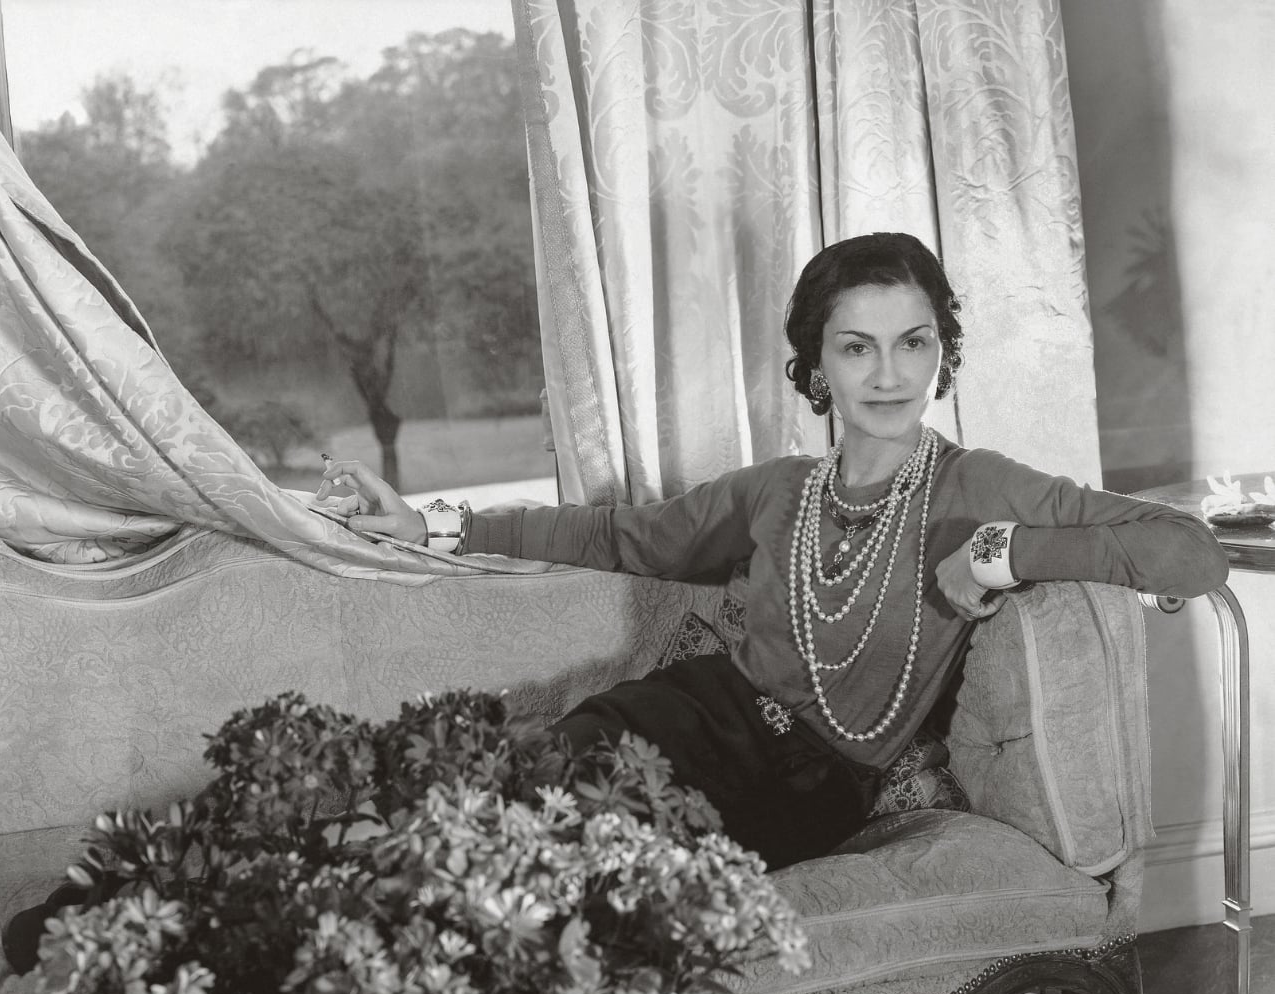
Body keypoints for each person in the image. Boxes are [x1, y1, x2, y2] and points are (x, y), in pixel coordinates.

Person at [339, 236, 1223, 871]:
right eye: (857, 347)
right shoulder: (775, 490)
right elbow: (617, 535)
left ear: (941, 353)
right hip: (687, 714)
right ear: (818, 366)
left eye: (913, 343)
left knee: (580, 865)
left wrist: (1005, 552)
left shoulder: (979, 486)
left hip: (811, 785)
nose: (889, 375)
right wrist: (436, 526)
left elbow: (1189, 552)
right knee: (471, 820)